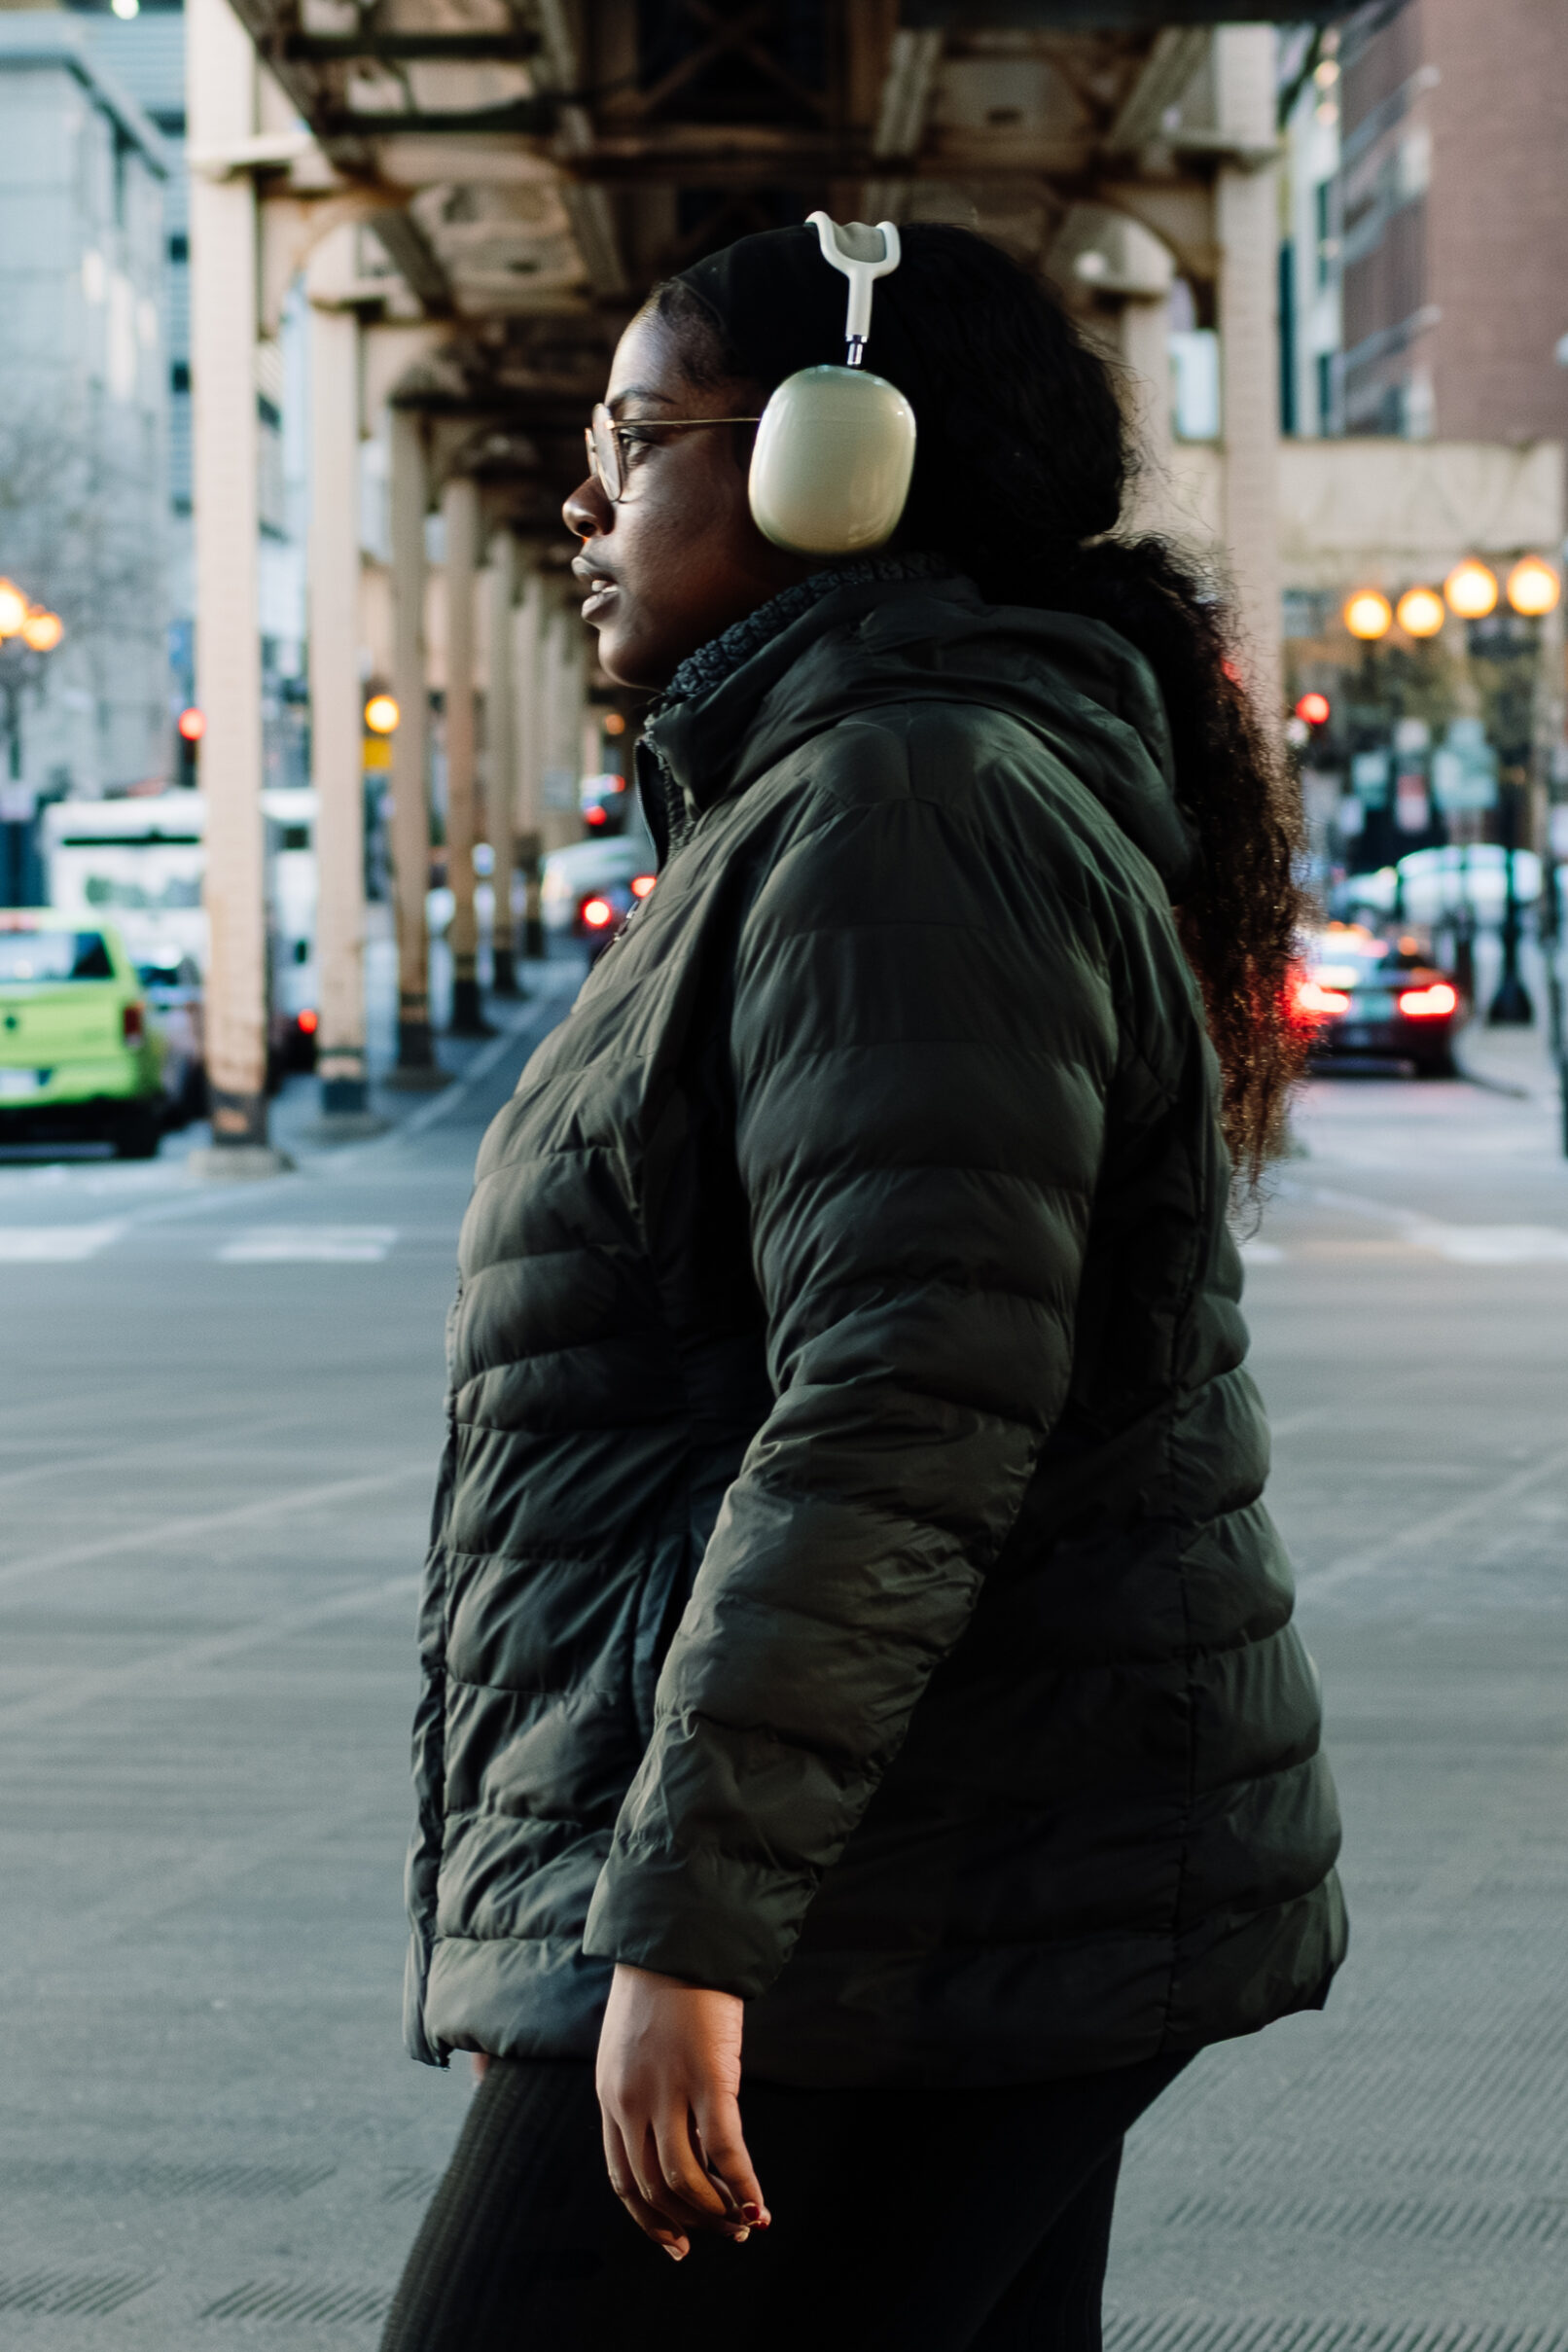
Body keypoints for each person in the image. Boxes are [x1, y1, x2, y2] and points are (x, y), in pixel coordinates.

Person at [381, 220, 1346, 2352]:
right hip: (937, 1877)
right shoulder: (852, 790)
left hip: (882, 1907)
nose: (579, 496)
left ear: (836, 462)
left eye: (636, 436)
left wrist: (682, 1941)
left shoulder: (901, 805)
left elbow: (898, 1407)